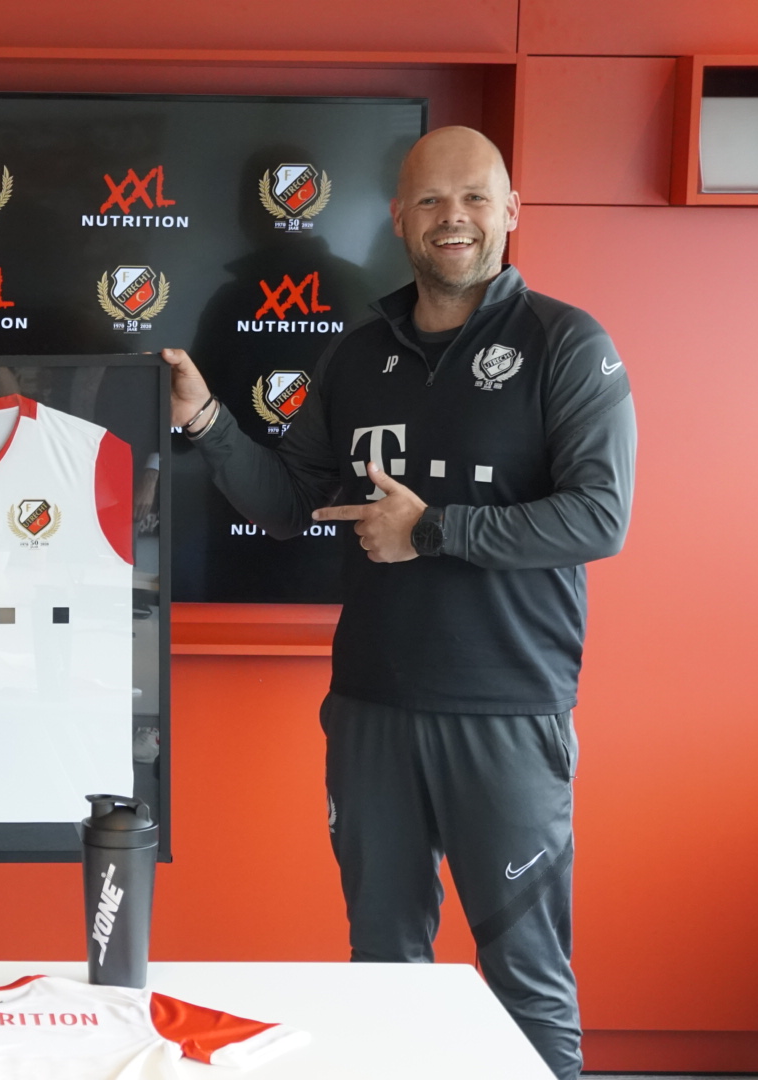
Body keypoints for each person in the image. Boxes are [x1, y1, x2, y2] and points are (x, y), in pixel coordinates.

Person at [164, 126, 635, 1079]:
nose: (452, 217)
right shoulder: (354, 355)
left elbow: (601, 515)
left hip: (507, 713)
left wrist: (433, 529)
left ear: (510, 211)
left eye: (473, 197)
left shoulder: (565, 342)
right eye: (430, 200)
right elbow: (288, 504)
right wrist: (208, 420)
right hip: (372, 709)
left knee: (526, 977)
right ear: (399, 219)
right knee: (382, 970)